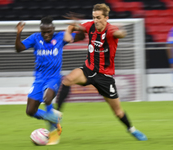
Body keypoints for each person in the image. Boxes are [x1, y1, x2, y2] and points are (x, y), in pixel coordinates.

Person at [57, 3, 148, 141]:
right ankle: (56, 117)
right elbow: (76, 26)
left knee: (117, 112)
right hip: (88, 69)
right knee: (67, 80)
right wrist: (69, 32)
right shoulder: (90, 26)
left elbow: (118, 33)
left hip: (104, 76)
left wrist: (122, 33)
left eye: (99, 17)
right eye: (94, 17)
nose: (96, 20)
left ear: (106, 18)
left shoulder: (111, 30)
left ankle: (132, 129)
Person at [15, 16, 85, 145]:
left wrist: (77, 26)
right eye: (44, 32)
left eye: (49, 31)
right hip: (39, 79)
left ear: (53, 29)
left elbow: (81, 36)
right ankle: (54, 117)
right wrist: (19, 33)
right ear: (40, 30)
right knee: (30, 111)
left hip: (54, 77)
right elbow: (19, 48)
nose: (46, 34)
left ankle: (53, 132)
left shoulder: (61, 36)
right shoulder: (35, 38)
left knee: (47, 98)